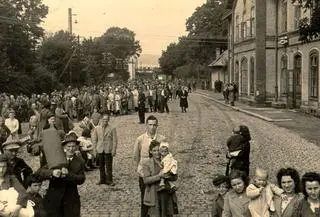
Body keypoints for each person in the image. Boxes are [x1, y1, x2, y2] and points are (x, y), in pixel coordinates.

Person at [37, 133, 86, 217]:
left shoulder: (79, 161)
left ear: (76, 147)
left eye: (73, 146)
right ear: (64, 147)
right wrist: (52, 172)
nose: (71, 149)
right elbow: (39, 173)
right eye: (68, 146)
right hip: (54, 197)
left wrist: (69, 174)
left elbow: (81, 179)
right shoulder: (55, 159)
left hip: (71, 199)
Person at [134, 115, 166, 217]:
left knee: (158, 200)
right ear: (146, 125)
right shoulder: (140, 139)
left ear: (157, 126)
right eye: (150, 125)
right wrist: (141, 170)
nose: (152, 127)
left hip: (158, 173)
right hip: (145, 175)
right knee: (145, 199)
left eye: (154, 125)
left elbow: (166, 156)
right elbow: (136, 156)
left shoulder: (162, 139)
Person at [140, 140, 178, 217]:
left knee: (167, 214)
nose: (157, 152)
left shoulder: (167, 160)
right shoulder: (146, 163)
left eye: (158, 150)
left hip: (167, 193)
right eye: (154, 151)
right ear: (150, 152)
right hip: (154, 195)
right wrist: (160, 176)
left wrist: (168, 175)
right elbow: (146, 180)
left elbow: (175, 177)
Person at [92, 114, 117, 186]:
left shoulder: (112, 128)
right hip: (100, 149)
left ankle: (109, 180)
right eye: (104, 119)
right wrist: (94, 149)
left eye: (107, 119)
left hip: (108, 150)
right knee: (101, 166)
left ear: (108, 120)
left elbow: (115, 140)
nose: (105, 121)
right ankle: (102, 179)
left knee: (109, 166)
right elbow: (94, 140)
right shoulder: (97, 128)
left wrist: (114, 150)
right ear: (101, 120)